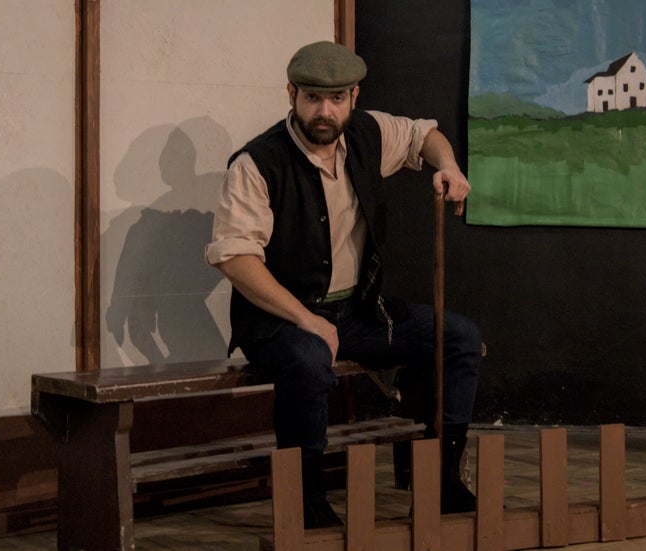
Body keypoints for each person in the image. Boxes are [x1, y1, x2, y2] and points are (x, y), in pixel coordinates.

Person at [205, 41, 482, 527]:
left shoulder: (368, 133)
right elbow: (236, 258)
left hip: (357, 312)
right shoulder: (256, 164)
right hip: (278, 320)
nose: (324, 112)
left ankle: (441, 479)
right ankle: (307, 499)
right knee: (310, 361)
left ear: (354, 96)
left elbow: (424, 136)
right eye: (312, 98)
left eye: (336, 99)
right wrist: (306, 319)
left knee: (457, 338)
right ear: (291, 94)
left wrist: (449, 166)